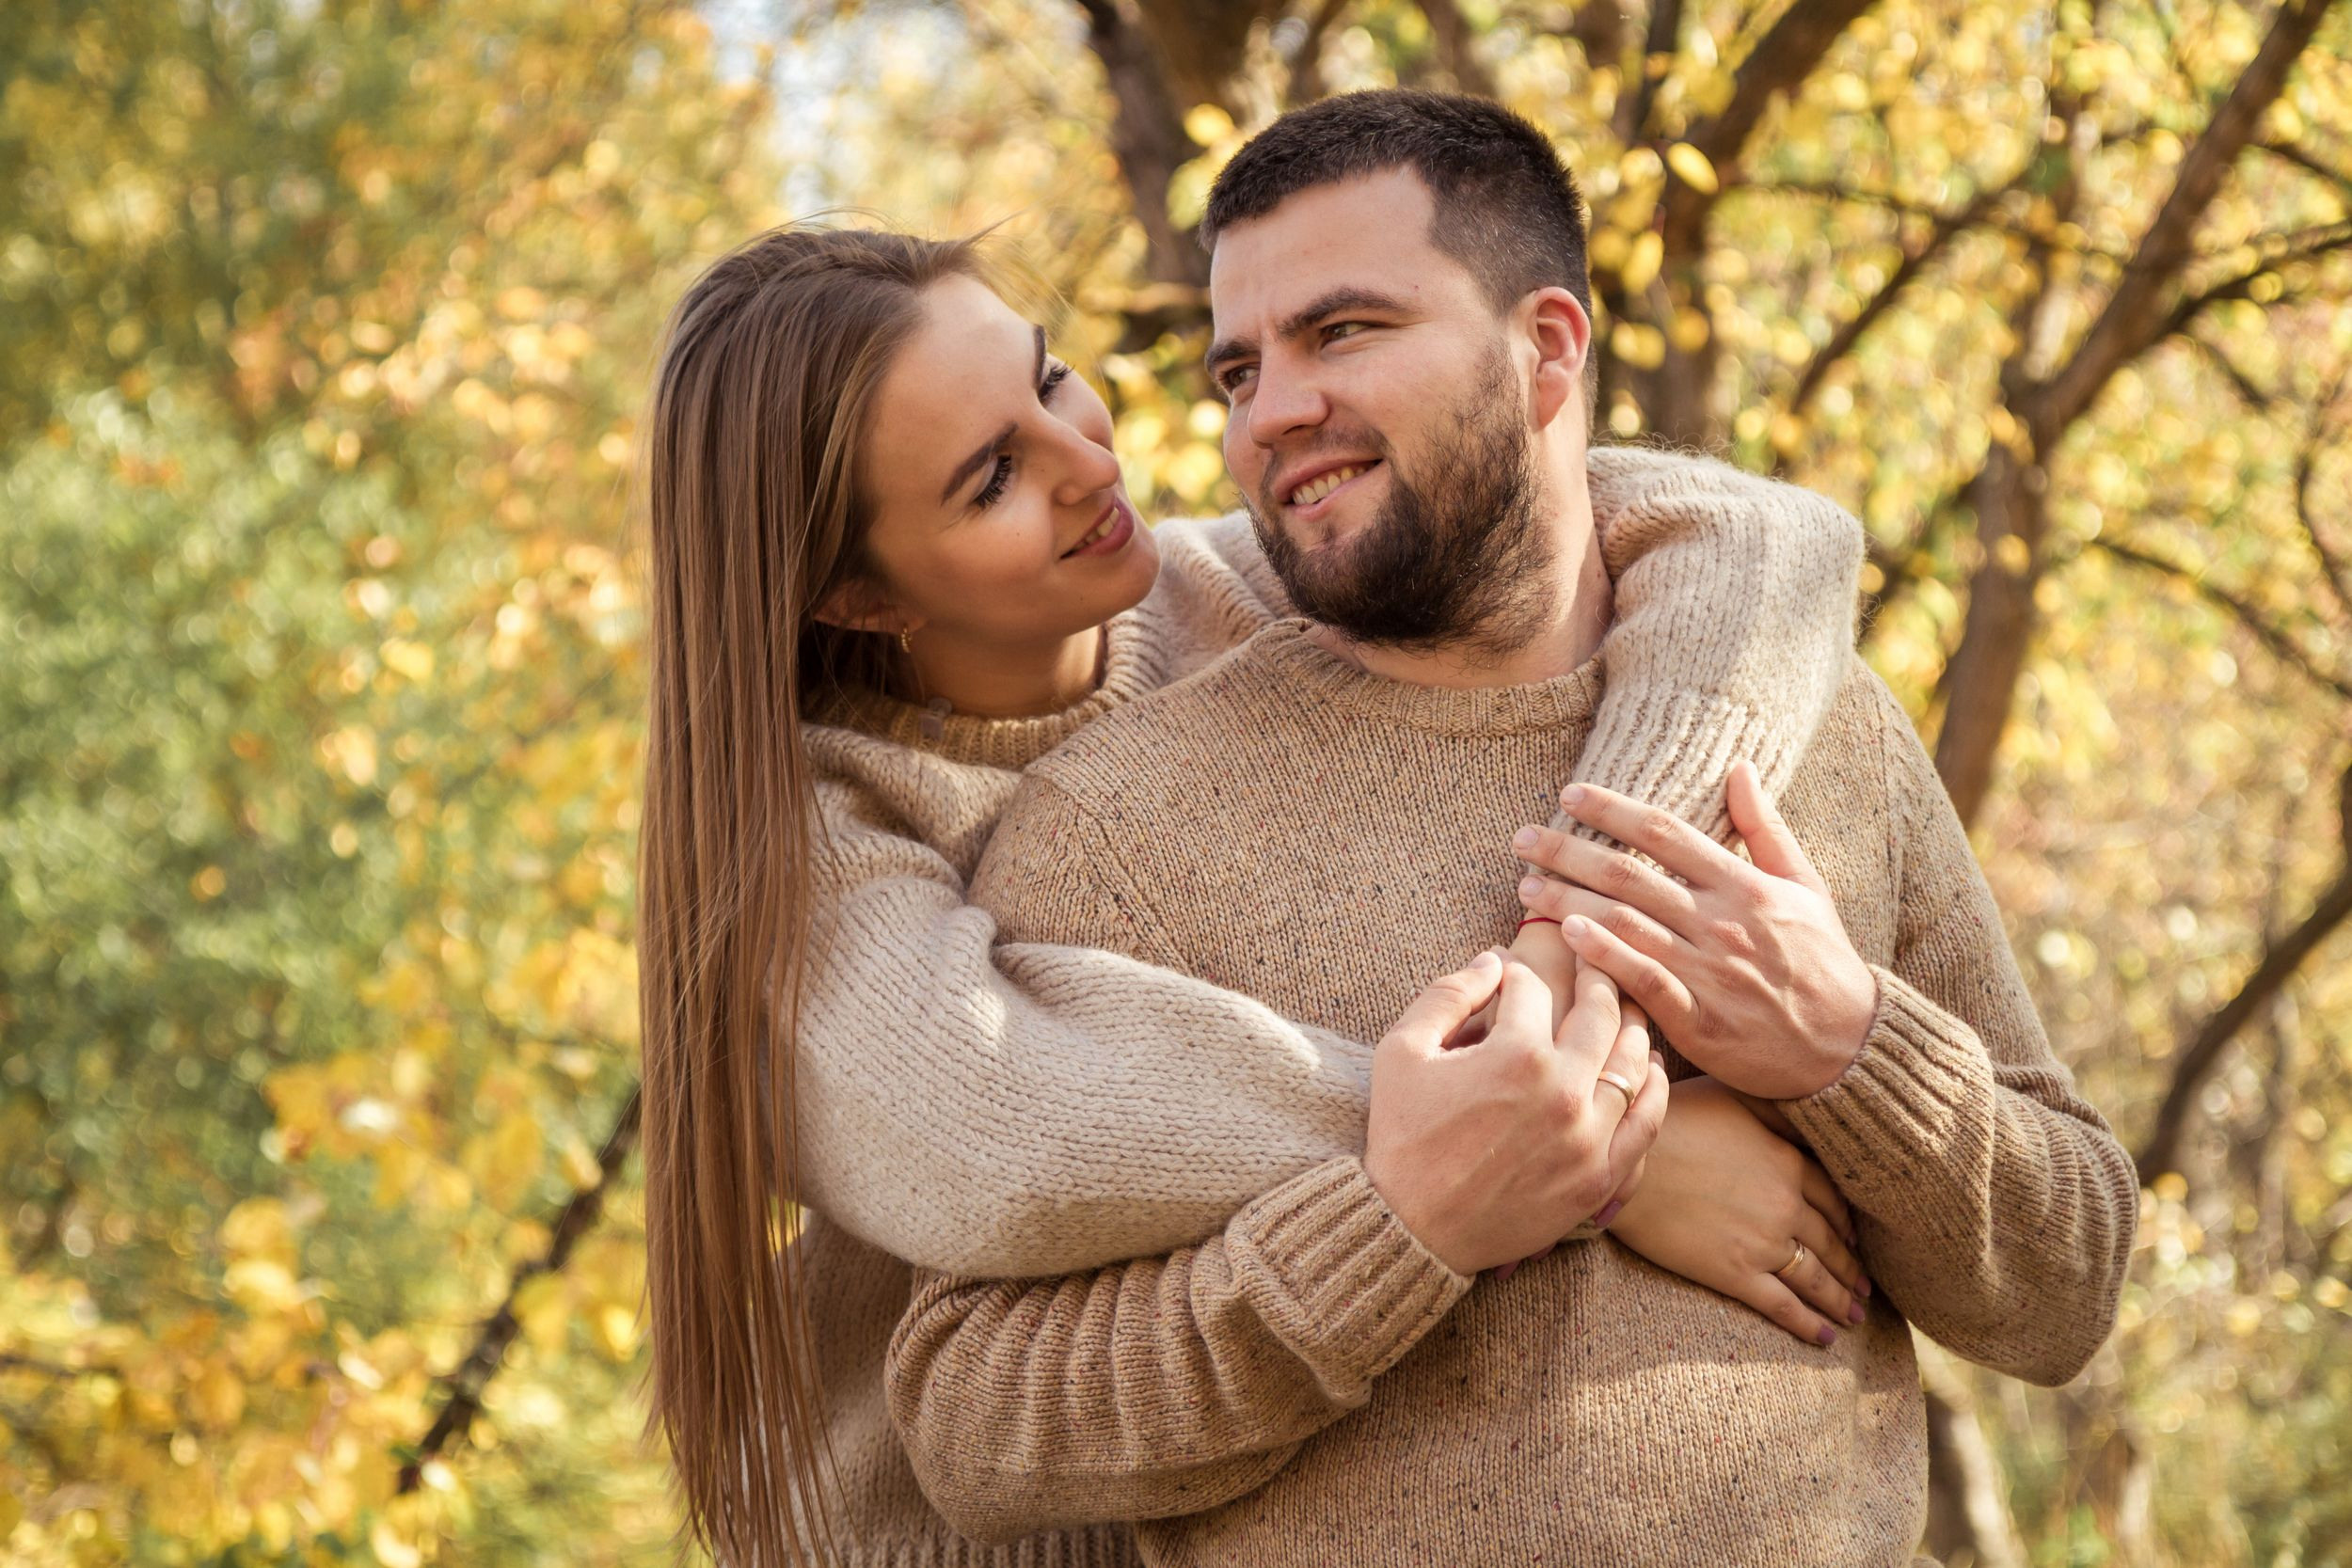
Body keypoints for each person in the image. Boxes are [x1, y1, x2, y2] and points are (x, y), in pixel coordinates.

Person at [882, 89, 2141, 1566]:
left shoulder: (1822, 724)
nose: (1270, 408)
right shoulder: (1119, 830)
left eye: (1343, 331)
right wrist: (1400, 1230)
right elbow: (971, 1422)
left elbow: (2066, 1291)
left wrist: (1851, 1048)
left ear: (1547, 348)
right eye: (1240, 367)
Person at [635, 217, 1868, 1564]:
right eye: (992, 477)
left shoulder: (1253, 593)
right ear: (861, 601)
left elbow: (1764, 541)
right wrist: (1589, 1151)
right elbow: (1011, 1131)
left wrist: (1574, 939)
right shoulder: (807, 852)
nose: (1086, 459)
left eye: (1048, 381)